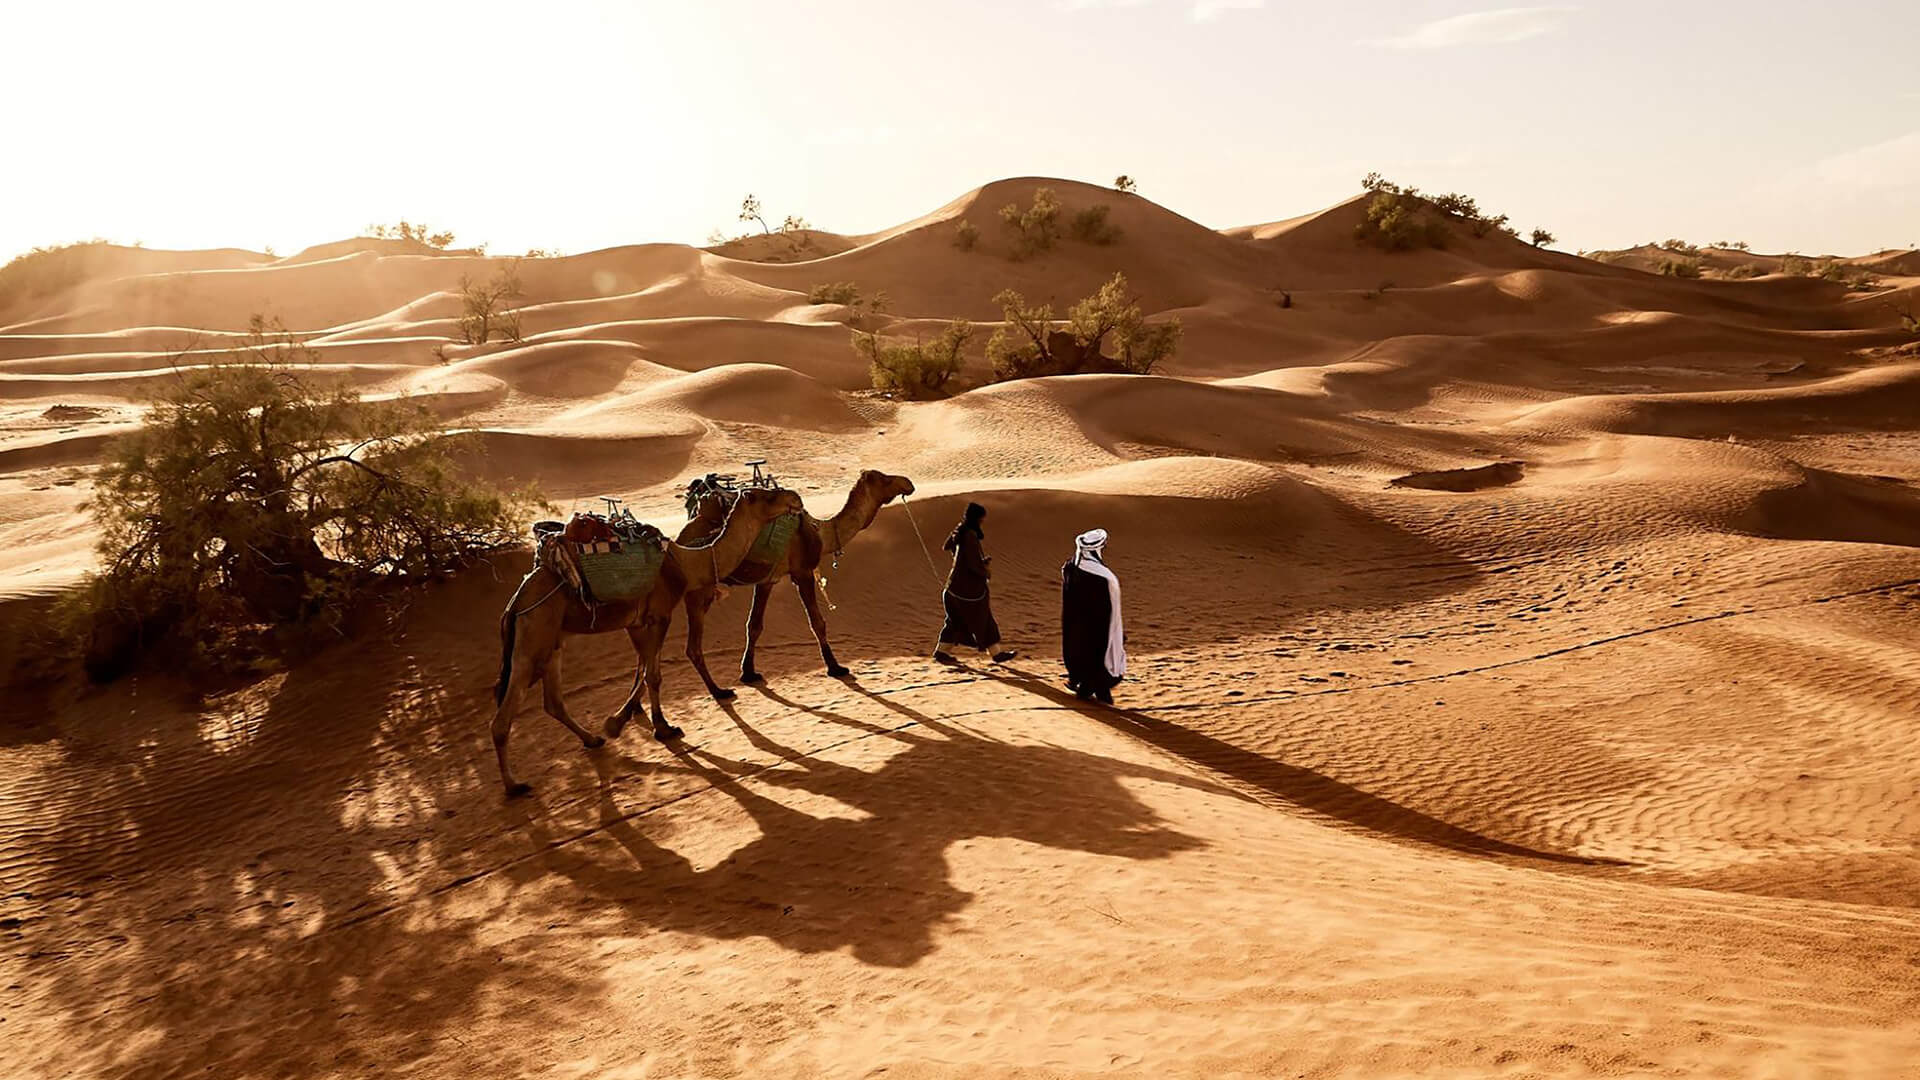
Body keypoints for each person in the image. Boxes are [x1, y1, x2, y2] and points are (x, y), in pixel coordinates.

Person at [935, 502, 1017, 665]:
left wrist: (957, 532)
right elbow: (973, 564)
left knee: (954, 620)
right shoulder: (969, 535)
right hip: (967, 592)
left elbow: (947, 547)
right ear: (977, 518)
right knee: (984, 618)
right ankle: (996, 653)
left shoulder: (961, 531)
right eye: (981, 519)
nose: (982, 522)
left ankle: (941, 652)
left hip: (953, 588)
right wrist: (985, 570)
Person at [1061, 528, 1125, 703]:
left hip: (1076, 626)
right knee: (1101, 661)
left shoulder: (1070, 567)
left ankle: (1084, 687)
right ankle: (1091, 693)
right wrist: (1115, 630)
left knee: (1082, 656)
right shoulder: (1104, 577)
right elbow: (1108, 606)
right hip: (1097, 628)